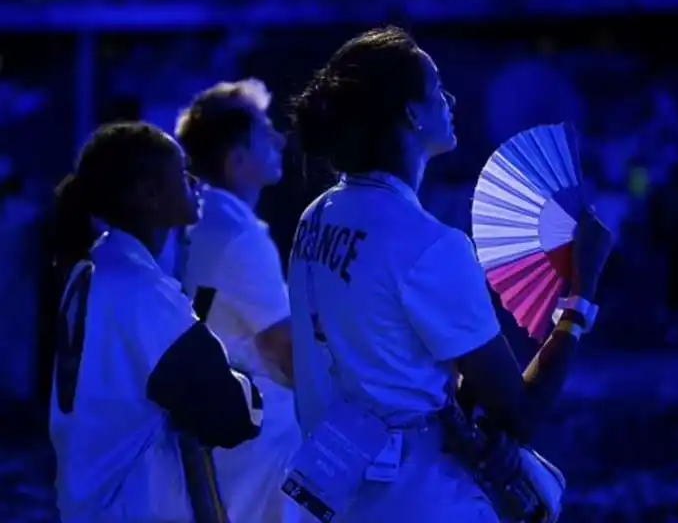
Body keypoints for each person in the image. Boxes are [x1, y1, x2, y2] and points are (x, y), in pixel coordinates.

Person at [287, 26, 614, 522]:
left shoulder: (316, 218)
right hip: (425, 499)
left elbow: (387, 357)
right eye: (437, 88)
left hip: (342, 496)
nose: (450, 99)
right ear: (411, 114)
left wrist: (469, 417)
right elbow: (521, 413)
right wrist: (581, 293)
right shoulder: (430, 245)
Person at [48, 121, 264, 523]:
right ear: (149, 194)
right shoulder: (142, 292)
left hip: (90, 502)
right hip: (129, 506)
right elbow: (230, 416)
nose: (193, 180)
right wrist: (248, 378)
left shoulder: (95, 266)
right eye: (181, 173)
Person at [175, 79, 306, 523]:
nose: (279, 140)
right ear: (236, 160)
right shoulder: (239, 237)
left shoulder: (200, 219)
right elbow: (282, 348)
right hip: (259, 438)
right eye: (264, 133)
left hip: (224, 429)